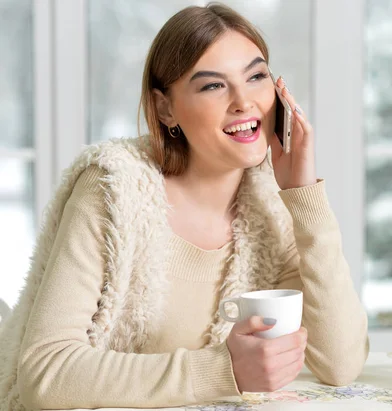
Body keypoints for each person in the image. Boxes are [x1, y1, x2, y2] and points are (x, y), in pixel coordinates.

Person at [0, 3, 369, 410]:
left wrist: (304, 195)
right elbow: (45, 375)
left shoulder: (270, 206)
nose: (244, 102)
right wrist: (221, 370)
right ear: (165, 108)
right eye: (213, 85)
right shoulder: (113, 189)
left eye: (257, 76)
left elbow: (340, 363)